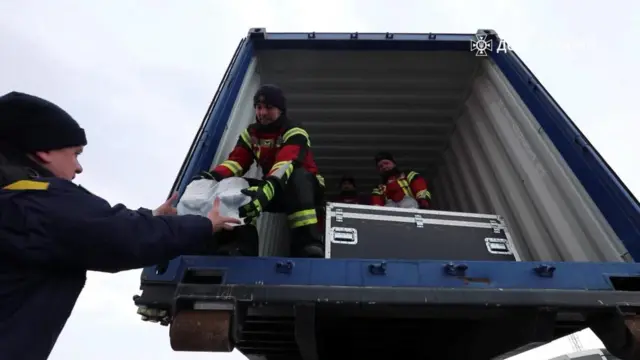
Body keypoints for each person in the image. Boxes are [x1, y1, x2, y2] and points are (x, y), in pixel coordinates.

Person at [0, 91, 240, 360]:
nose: (78, 168)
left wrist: (151, 215)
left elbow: (94, 226)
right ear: (43, 150)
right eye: (75, 154)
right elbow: (123, 237)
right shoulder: (34, 200)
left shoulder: (15, 199)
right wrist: (204, 225)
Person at [198, 84, 325, 258]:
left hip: (305, 188)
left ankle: (308, 244)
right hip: (273, 187)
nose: (262, 113)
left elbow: (286, 163)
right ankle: (240, 246)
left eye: (269, 107)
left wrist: (266, 189)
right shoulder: (250, 134)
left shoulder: (294, 130)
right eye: (258, 107)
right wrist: (212, 178)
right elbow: (236, 163)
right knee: (235, 186)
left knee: (297, 177)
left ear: (280, 110)